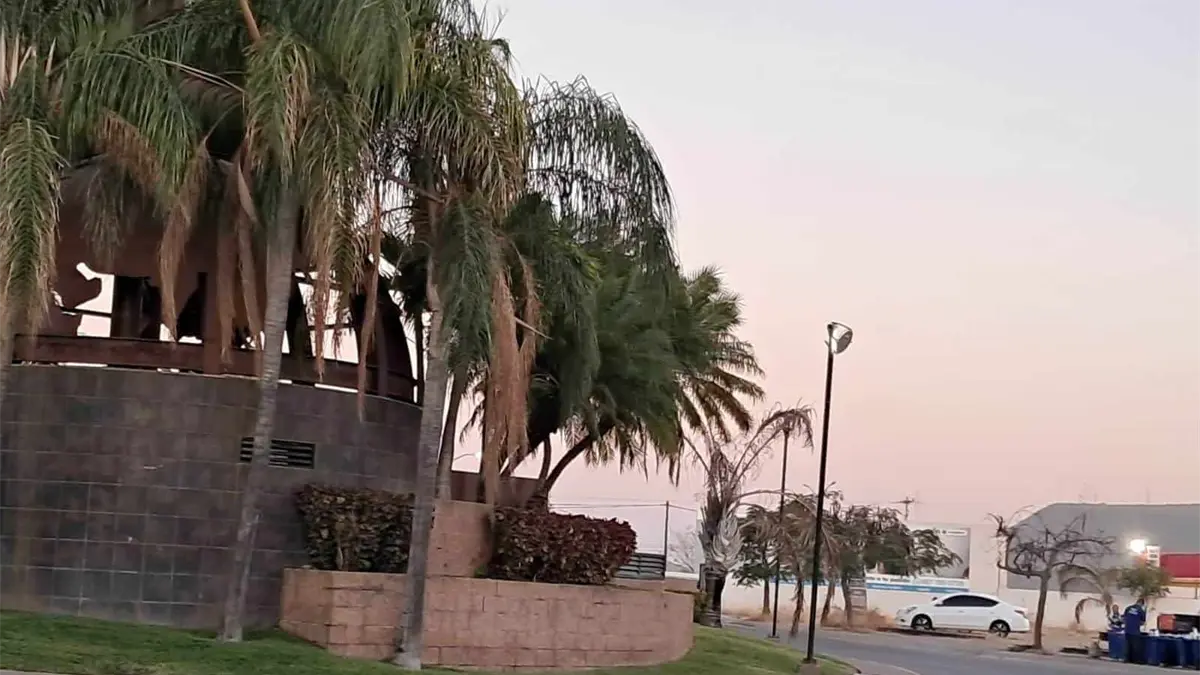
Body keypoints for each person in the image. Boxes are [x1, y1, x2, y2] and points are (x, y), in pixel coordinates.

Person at [1123, 599, 1147, 664]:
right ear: (1141, 604)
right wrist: (1138, 623)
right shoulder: (1141, 610)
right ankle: (1136, 660)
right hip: (1135, 631)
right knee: (1136, 646)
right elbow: (1143, 622)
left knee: (1127, 645)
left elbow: (1124, 618)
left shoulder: (1128, 608)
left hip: (1127, 630)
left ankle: (1126, 659)